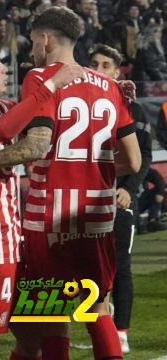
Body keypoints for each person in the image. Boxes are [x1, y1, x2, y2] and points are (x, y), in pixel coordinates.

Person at [9, 7, 141, 360]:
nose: (33, 48)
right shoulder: (109, 85)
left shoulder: (39, 77)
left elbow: (36, 142)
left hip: (50, 213)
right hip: (98, 214)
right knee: (96, 307)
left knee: (50, 313)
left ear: (46, 39)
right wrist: (93, 165)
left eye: (34, 41)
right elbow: (134, 160)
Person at [0, 39, 85, 360]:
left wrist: (116, 91)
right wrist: (50, 84)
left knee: (35, 337)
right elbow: (0, 130)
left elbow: (49, 122)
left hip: (17, 244)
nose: (4, 68)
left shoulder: (6, 109)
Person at [89, 43, 153, 353]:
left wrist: (128, 189)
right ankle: (101, 323)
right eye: (95, 64)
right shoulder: (86, 104)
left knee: (121, 264)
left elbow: (144, 158)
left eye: (105, 65)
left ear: (116, 71)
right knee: (91, 268)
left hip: (120, 200)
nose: (99, 70)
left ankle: (121, 331)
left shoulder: (134, 109)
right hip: (89, 200)